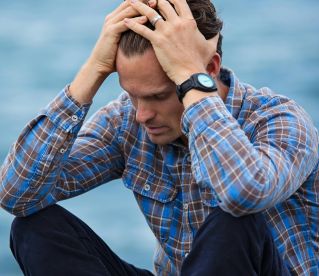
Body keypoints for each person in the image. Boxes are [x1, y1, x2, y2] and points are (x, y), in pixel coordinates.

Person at [0, 0, 318, 275]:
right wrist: (93, 70)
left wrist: (192, 82)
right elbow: (17, 195)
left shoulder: (281, 120)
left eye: (158, 96)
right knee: (35, 228)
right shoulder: (127, 121)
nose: (141, 114)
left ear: (209, 69)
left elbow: (242, 192)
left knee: (234, 220)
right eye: (133, 96)